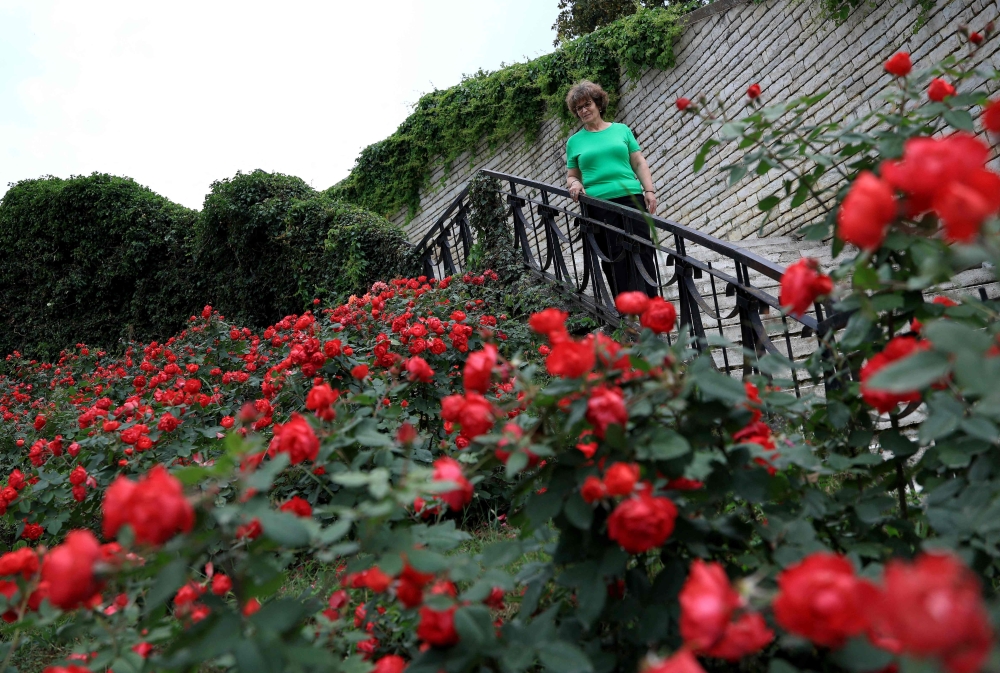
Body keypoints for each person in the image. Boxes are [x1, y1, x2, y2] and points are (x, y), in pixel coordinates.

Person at [565, 80, 659, 298]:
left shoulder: (621, 130)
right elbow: (572, 176)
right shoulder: (575, 142)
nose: (584, 110)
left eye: (587, 104)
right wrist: (575, 183)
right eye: (578, 108)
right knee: (613, 257)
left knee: (643, 250)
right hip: (598, 205)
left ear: (598, 104)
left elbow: (638, 162)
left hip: (631, 198)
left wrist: (649, 191)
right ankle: (627, 311)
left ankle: (651, 306)